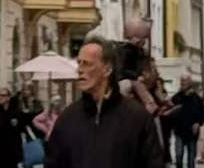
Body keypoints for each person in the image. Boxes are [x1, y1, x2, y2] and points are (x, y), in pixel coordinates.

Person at [45, 39, 164, 168]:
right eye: (79, 63)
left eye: (87, 64)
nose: (79, 70)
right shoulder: (68, 118)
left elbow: (153, 163)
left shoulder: (137, 118)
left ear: (107, 70)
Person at [0, 87, 36, 168]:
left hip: (12, 152)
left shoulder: (16, 112)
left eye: (2, 95)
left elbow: (24, 127)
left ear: (8, 98)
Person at [163, 77, 204, 168]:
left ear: (189, 83)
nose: (182, 83)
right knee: (178, 155)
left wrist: (198, 123)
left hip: (192, 131)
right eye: (181, 80)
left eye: (184, 81)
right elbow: (170, 108)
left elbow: (202, 112)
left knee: (191, 157)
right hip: (179, 130)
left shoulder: (196, 98)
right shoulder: (177, 96)